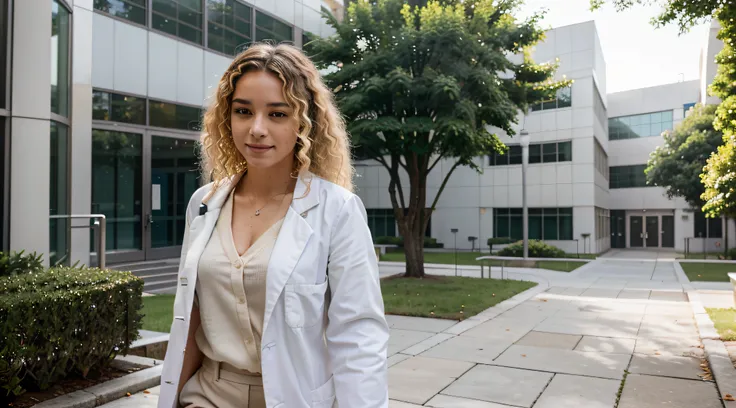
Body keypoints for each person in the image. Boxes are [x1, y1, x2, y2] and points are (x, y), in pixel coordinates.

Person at [156, 43, 390, 408]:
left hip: (291, 397)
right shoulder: (204, 203)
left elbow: (358, 334)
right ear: (227, 117)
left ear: (304, 122)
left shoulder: (337, 210)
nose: (257, 129)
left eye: (278, 114)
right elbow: (192, 318)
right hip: (207, 395)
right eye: (243, 111)